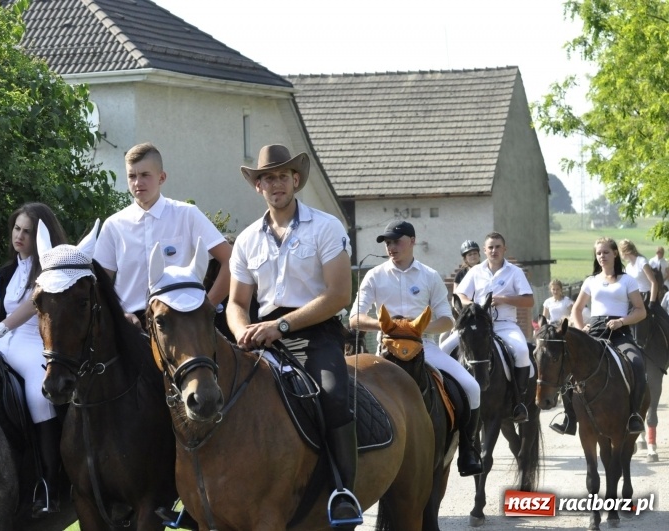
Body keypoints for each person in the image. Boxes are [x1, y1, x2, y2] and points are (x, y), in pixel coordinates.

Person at [227, 144, 361, 527]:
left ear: (295, 180)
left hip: (316, 333)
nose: (275, 184)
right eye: (267, 178)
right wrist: (241, 332)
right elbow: (237, 303)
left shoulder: (326, 226)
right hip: (263, 336)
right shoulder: (247, 240)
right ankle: (205, 495)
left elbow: (338, 295)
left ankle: (343, 491)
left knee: (334, 397)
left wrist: (281, 326)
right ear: (258, 187)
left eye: (282, 176)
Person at [0, 202, 68, 517]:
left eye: (27, 232)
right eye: (17, 228)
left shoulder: (48, 268)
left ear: (40, 237)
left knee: (37, 394)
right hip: (2, 339)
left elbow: (31, 307)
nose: (18, 236)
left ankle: (48, 486)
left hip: (34, 342)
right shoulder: (5, 273)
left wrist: (1, 328)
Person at [349, 220, 483, 477]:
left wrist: (416, 329)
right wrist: (390, 327)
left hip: (425, 346)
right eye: (387, 242)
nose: (391, 247)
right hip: (386, 348)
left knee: (471, 387)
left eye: (396, 241)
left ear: (412, 241)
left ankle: (468, 449)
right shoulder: (374, 276)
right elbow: (355, 317)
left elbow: (447, 320)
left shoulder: (430, 276)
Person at [93, 142, 232, 327]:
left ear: (162, 177)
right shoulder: (114, 225)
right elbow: (97, 282)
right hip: (130, 328)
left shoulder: (187, 215)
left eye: (145, 175)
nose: (137, 182)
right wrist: (119, 314)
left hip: (181, 325)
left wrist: (206, 306)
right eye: (132, 176)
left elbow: (231, 260)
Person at [550, 237, 647, 436]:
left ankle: (634, 415)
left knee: (637, 362)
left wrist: (621, 321)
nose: (601, 256)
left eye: (605, 252)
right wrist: (581, 327)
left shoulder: (627, 280)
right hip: (594, 333)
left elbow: (640, 311)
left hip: (619, 333)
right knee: (568, 365)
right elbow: (576, 309)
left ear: (615, 254)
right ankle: (569, 417)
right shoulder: (591, 281)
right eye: (598, 253)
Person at [440, 232, 534, 423]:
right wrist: (474, 307)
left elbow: (528, 300)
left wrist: (502, 299)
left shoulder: (514, 272)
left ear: (504, 249)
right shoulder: (476, 272)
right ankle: (446, 398)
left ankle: (518, 401)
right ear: (485, 250)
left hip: (504, 325)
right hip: (477, 327)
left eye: (498, 247)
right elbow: (459, 295)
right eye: (490, 247)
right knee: (444, 349)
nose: (494, 250)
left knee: (523, 351)